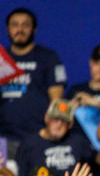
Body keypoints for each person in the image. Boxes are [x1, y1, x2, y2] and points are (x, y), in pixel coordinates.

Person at [0, 8, 66, 149]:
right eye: (15, 25)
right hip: (4, 137)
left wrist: (51, 132)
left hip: (38, 136)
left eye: (25, 25)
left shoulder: (48, 58)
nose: (20, 29)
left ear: (34, 29)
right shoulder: (1, 58)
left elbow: (57, 100)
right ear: (7, 29)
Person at [15, 99, 95, 176]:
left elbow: (99, 160)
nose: (59, 125)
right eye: (56, 119)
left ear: (70, 125)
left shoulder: (78, 141)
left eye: (64, 121)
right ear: (47, 118)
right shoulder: (29, 144)